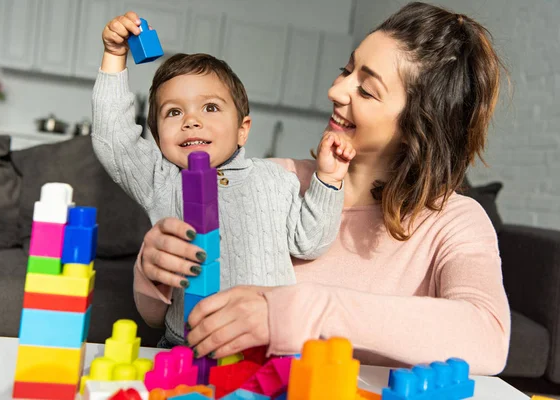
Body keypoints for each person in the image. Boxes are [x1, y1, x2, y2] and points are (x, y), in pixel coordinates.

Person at [133, 1, 512, 374]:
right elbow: (160, 318)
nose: (337, 90)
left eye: (366, 90)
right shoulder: (270, 182)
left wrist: (289, 312)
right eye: (345, 70)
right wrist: (153, 271)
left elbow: (488, 337)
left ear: (420, 122)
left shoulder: (454, 222)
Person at [92, 12, 356, 347]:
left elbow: (311, 241)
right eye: (174, 112)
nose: (191, 120)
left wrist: (329, 178)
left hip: (266, 346)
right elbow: (112, 138)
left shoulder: (276, 180)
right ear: (158, 139)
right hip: (185, 346)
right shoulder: (162, 180)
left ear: (242, 130)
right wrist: (115, 56)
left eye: (210, 108)